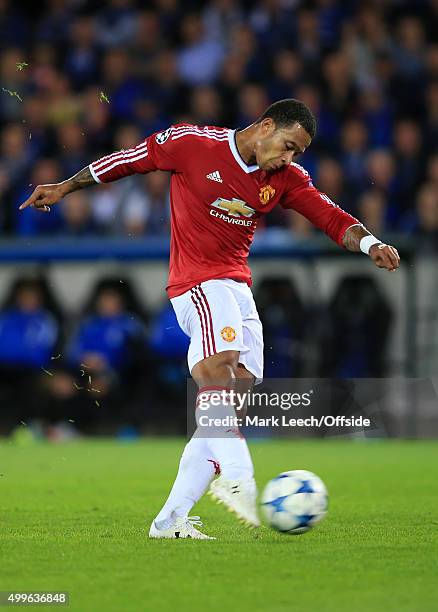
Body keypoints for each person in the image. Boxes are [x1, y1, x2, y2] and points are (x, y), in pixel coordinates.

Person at [19, 98, 400, 539]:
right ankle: (239, 475)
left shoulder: (284, 179)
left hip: (237, 288)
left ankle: (169, 520)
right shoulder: (192, 143)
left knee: (233, 397)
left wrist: (370, 243)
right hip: (197, 282)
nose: (289, 158)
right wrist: (66, 187)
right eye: (288, 146)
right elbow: (127, 161)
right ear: (266, 125)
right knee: (216, 372)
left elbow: (330, 216)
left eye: (298, 153)